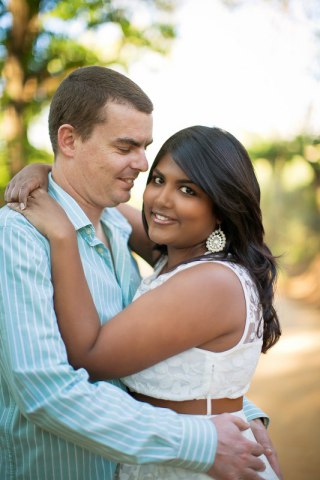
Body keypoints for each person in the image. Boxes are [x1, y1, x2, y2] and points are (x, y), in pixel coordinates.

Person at [6, 117, 281, 478]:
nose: (161, 200)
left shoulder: (210, 281)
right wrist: (44, 169)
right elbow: (85, 195)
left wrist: (61, 236)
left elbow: (89, 355)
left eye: (189, 191)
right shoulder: (175, 253)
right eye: (157, 180)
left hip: (197, 465)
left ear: (221, 208)